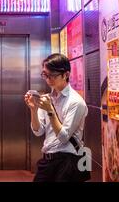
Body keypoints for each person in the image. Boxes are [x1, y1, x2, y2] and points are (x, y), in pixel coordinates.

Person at [24, 53, 89, 182]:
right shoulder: (48, 98)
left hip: (68, 161)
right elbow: (38, 131)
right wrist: (34, 109)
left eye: (52, 75)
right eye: (45, 75)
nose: (48, 79)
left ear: (66, 74)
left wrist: (50, 110)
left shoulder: (76, 102)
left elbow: (64, 137)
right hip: (48, 160)